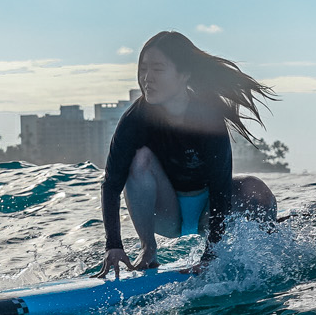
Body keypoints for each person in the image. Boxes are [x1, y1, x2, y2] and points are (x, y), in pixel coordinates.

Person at [99, 31, 278, 276]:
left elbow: (221, 189)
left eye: (158, 69)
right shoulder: (135, 119)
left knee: (256, 189)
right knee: (140, 159)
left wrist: (211, 255)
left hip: (206, 208)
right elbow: (111, 184)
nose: (146, 78)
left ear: (184, 75)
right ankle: (148, 248)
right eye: (143, 69)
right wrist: (114, 245)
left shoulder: (208, 117)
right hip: (165, 212)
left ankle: (274, 249)